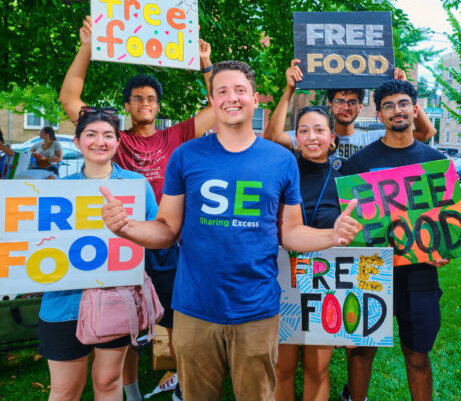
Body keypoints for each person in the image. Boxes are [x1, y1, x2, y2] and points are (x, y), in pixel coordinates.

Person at [100, 60, 363, 401]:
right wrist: (127, 228)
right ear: (212, 101)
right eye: (221, 91)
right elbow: (166, 229)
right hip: (194, 310)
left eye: (240, 90)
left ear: (255, 99)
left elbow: (291, 233)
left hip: (256, 310)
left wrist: (333, 236)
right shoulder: (185, 156)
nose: (232, 98)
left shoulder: (281, 161)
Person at [59, 16, 215, 401]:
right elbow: (69, 99)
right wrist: (86, 48)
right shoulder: (111, 137)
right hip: (119, 243)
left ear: (158, 105)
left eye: (151, 98)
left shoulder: (175, 134)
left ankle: (180, 384)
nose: (145, 103)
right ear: (127, 105)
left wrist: (206, 65)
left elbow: (220, 106)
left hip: (164, 240)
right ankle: (129, 390)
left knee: (177, 319)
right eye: (137, 98)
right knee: (122, 322)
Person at [0, 107, 159, 400]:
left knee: (109, 382)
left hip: (115, 301)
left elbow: (156, 235)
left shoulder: (136, 186)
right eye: (91, 134)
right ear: (77, 141)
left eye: (108, 135)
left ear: (118, 143)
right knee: (66, 390)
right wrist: (6, 240)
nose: (100, 141)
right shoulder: (53, 189)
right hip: (62, 306)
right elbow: (30, 242)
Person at [337, 79, 449, 401]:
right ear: (379, 113)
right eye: (388, 106)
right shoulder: (357, 164)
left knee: (417, 355)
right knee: (361, 352)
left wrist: (441, 247)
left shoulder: (435, 161)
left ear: (414, 109)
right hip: (371, 272)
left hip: (420, 274)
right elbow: (347, 222)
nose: (396, 111)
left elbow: (445, 220)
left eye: (402, 104)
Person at [267, 102, 341, 400]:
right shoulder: (280, 174)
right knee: (281, 368)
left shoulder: (347, 180)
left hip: (329, 284)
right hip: (281, 280)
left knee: (317, 369)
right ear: (295, 138)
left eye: (320, 130)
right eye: (304, 130)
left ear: (332, 137)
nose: (312, 137)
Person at [263, 60, 437, 160]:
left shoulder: (376, 137)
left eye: (353, 102)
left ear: (361, 107)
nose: (346, 107)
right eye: (340, 101)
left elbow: (427, 132)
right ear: (330, 105)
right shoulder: (314, 137)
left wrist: (404, 87)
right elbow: (272, 137)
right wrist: (290, 89)